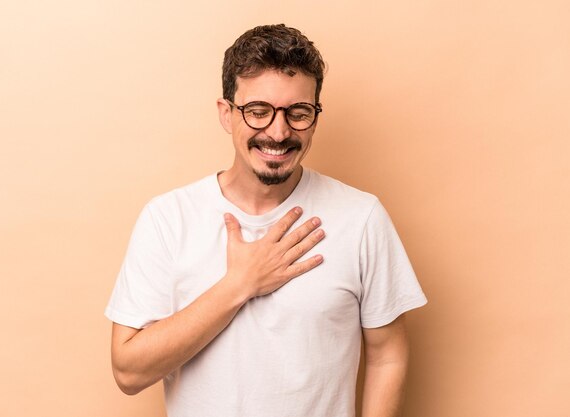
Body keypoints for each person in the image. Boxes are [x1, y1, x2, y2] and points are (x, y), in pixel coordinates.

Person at [105, 24, 427, 417]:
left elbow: (387, 354)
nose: (278, 132)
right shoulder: (168, 218)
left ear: (315, 115)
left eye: (298, 113)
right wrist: (239, 284)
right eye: (258, 112)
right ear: (227, 114)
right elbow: (128, 371)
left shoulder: (361, 218)